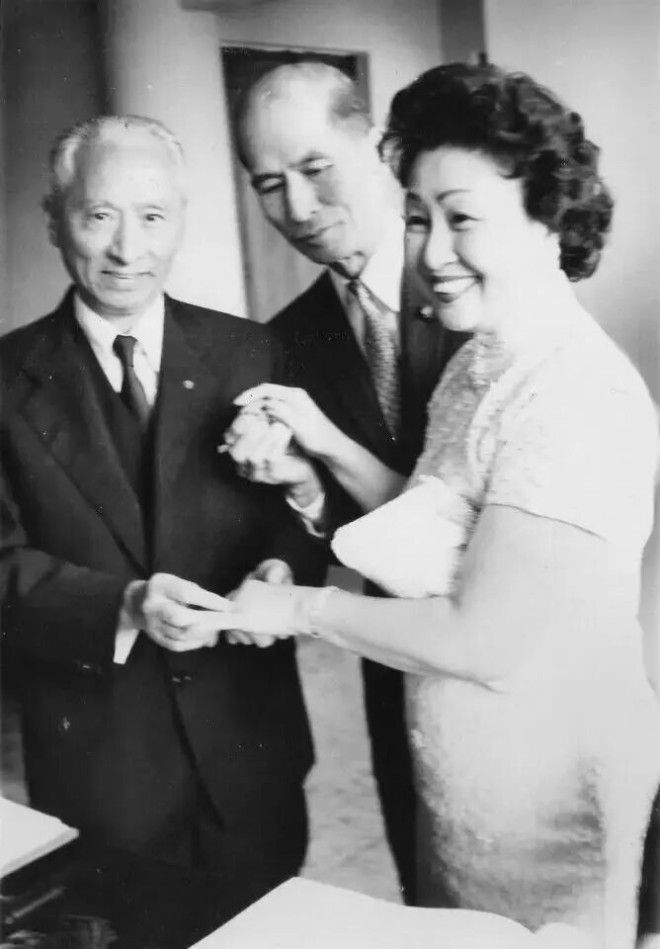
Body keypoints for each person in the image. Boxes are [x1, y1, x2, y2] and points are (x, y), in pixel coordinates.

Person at [216, 64, 660, 944]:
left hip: (547, 807)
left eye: (462, 218)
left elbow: (478, 636)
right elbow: (439, 528)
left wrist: (300, 608)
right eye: (419, 217)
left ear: (547, 218)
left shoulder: (575, 392)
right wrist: (324, 442)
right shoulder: (481, 361)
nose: (432, 251)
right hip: (464, 792)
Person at [0, 115, 319, 904]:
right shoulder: (4, 378)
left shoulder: (254, 352)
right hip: (103, 768)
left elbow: (299, 511)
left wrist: (284, 563)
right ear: (55, 220)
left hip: (250, 751)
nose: (127, 249)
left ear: (180, 221)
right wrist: (126, 604)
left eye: (151, 217)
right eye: (98, 215)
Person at [235, 62, 468, 900]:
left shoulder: (473, 280)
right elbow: (323, 530)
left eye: (314, 168)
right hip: (392, 670)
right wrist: (300, 487)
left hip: (512, 655)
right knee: (426, 888)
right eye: (269, 185)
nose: (297, 207)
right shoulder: (284, 338)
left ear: (376, 147)